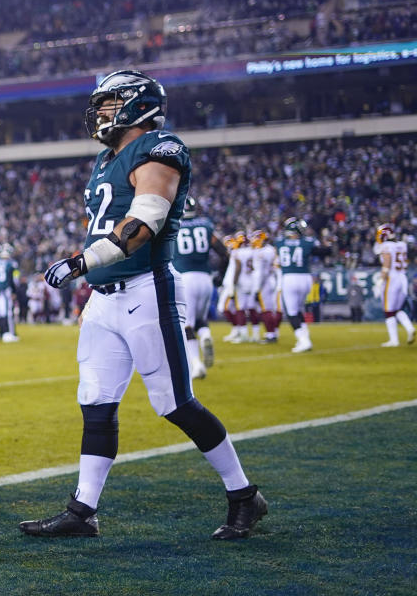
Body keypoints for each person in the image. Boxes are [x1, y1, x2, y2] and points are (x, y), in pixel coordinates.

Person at [19, 70, 266, 541]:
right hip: (103, 299)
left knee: (174, 402)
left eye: (110, 103)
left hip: (145, 289)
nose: (101, 112)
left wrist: (79, 262)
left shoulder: (159, 146)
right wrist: (89, 271)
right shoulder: (105, 158)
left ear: (137, 105)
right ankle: (83, 510)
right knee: (95, 402)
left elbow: (145, 220)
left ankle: (243, 496)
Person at [172, 196, 228, 379]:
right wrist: (220, 276)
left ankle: (196, 365)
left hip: (185, 278)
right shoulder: (205, 225)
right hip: (205, 278)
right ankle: (205, 335)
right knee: (200, 319)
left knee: (186, 324)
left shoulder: (173, 226)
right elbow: (224, 253)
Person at [276, 217, 318, 353]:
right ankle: (305, 337)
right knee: (299, 309)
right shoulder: (307, 242)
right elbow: (321, 250)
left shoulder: (279, 242)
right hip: (305, 278)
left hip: (289, 278)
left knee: (292, 313)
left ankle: (304, 341)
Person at [373, 223, 415, 346]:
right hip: (403, 278)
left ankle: (394, 340)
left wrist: (380, 280)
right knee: (397, 309)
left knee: (388, 311)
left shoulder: (387, 246)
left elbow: (387, 263)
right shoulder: (402, 245)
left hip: (392, 279)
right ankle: (409, 328)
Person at [249, 229, 280, 343]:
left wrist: (257, 289)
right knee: (269, 309)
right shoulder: (271, 250)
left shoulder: (261, 253)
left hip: (264, 283)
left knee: (265, 310)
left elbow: (260, 273)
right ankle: (273, 332)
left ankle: (270, 334)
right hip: (271, 281)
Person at [0, 242, 20, 342]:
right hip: (4, 290)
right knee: (6, 312)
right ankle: (7, 333)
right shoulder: (10, 264)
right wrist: (14, 291)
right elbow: (12, 279)